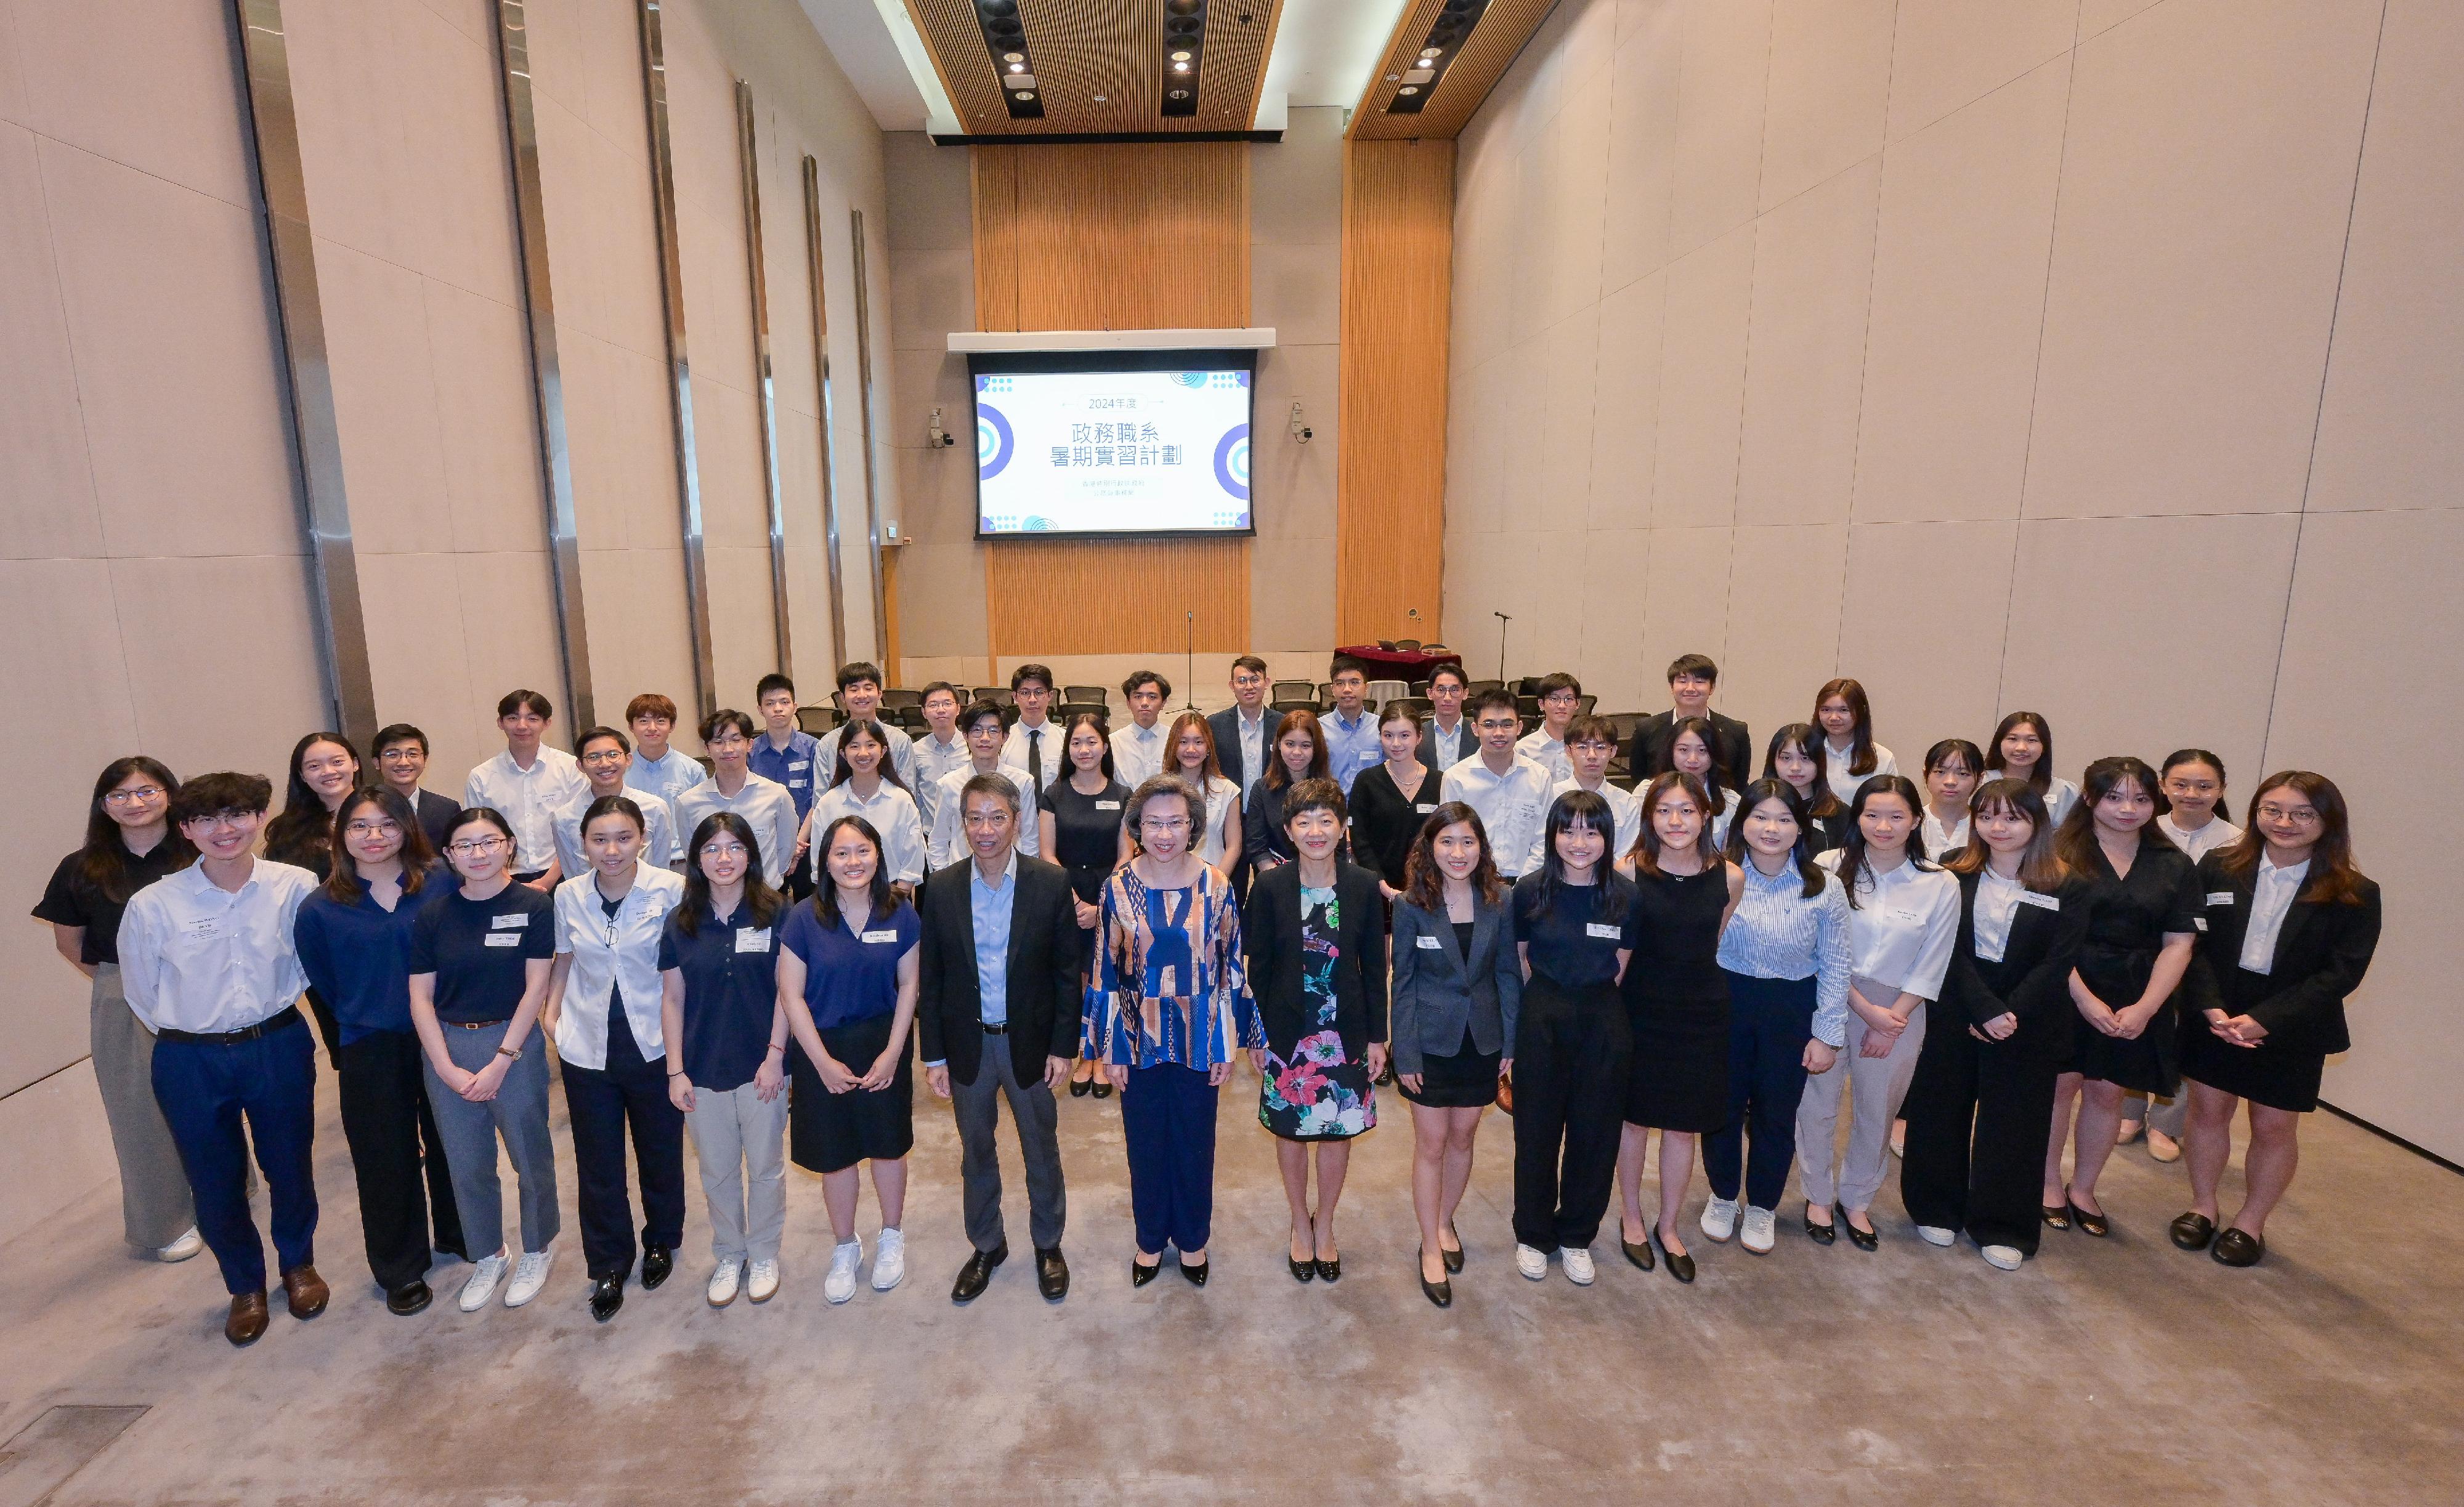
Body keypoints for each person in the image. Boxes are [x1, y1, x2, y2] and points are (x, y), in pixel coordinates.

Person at [116, 772, 326, 1347]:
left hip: (276, 1043)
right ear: (186, 829)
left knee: (288, 1163)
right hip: (190, 1057)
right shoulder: (154, 904)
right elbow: (142, 990)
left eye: (237, 814)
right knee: (214, 1179)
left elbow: (312, 959)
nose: (224, 829)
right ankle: (244, 1286)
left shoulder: (295, 885)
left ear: (260, 817)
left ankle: (298, 1264)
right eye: (206, 819)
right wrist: (196, 1031)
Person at [2172, 772, 2381, 1269]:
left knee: (2272, 1126)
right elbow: (2189, 941)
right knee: (2206, 1111)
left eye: (2302, 813)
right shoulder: (2220, 865)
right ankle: (2202, 1205)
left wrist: (2265, 1020)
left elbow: (2341, 973)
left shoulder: (2354, 891)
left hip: (2292, 1019)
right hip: (2216, 1006)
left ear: (2328, 821)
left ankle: (2250, 1222)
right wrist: (2209, 1006)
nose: (2285, 822)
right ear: (2255, 812)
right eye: (2273, 810)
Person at [1899, 779, 2091, 1271]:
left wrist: (2010, 1012)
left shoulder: (2069, 883)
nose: (1998, 827)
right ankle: (1936, 1205)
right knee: (1941, 1110)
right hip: (1956, 1007)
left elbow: (2058, 961)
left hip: (2028, 1019)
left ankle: (2002, 1223)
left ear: (2036, 823)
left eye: (2012, 817)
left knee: (2015, 1124)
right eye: (1987, 816)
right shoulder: (1951, 871)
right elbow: (1943, 946)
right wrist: (1983, 1007)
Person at [294, 789, 467, 1316]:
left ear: (407, 828)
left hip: (444, 1032)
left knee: (454, 1140)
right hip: (370, 1042)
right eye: (360, 826)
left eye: (387, 825)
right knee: (384, 1157)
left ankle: (462, 1234)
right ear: (339, 836)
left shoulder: (442, 881)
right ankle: (400, 1267)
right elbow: (320, 983)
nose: (374, 837)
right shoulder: (320, 907)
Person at [915, 774, 1081, 1304]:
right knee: (976, 1149)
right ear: (962, 824)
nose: (985, 830)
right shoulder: (940, 888)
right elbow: (933, 978)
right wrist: (933, 1053)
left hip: (1029, 1043)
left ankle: (1048, 1243)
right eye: (974, 818)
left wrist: (1063, 1046)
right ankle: (987, 1244)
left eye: (997, 817)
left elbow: (1065, 975)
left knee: (1040, 1145)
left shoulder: (1050, 884)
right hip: (968, 1045)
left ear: (1017, 820)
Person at [1089, 777, 1255, 1286]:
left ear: (1193, 828)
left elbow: (1231, 968)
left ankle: (1193, 1238)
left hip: (1200, 1037)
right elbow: (1106, 971)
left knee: (1194, 1140)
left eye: (1176, 822)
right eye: (1154, 823)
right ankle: (1149, 1239)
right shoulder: (1117, 887)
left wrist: (1227, 1042)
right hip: (1137, 1039)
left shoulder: (1218, 885)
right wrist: (1109, 1048)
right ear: (1137, 827)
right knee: (1144, 1141)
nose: (1164, 833)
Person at [32, 758, 200, 1261]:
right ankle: (165, 1223)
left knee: (208, 1097)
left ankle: (227, 1191)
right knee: (138, 1112)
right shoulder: (81, 867)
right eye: (121, 794)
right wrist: (124, 988)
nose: (135, 802)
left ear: (169, 794)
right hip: (121, 990)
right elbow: (70, 943)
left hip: (201, 989)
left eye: (147, 790)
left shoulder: (199, 852)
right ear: (104, 805)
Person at [407, 807, 560, 1315]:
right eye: (465, 845)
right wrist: (446, 1067)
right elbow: (421, 998)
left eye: (489, 842)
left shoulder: (534, 906)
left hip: (512, 1045)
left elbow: (536, 986)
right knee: (467, 1162)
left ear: (510, 846)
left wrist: (502, 1060)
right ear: (449, 855)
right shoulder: (433, 915)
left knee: (529, 1155)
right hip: (448, 1047)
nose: (478, 853)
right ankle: (488, 1253)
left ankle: (538, 1248)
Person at [2040, 756, 2200, 1239]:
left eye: (2141, 798)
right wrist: (2086, 1000)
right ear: (2089, 798)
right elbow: (2044, 936)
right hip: (2065, 984)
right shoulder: (2057, 853)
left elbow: (2180, 943)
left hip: (2137, 991)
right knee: (2059, 1088)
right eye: (2114, 796)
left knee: (2109, 1092)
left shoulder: (2174, 863)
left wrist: (2148, 1007)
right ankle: (2046, 1183)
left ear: (2157, 802)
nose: (2128, 808)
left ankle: (2084, 1188)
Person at [545, 796, 689, 1320]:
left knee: (659, 1149)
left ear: (643, 839)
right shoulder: (568, 895)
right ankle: (607, 1260)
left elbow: (681, 969)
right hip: (587, 1045)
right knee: (598, 1159)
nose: (612, 849)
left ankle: (661, 1238)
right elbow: (563, 958)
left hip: (652, 1040)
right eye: (599, 839)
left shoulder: (670, 889)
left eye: (623, 837)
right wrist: (552, 1016)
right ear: (582, 843)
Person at [1798, 775, 1958, 1248]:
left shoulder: (1938, 881)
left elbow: (1937, 956)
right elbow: (1819, 946)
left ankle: (1858, 1199)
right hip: (1832, 997)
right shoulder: (1828, 867)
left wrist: (1892, 1019)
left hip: (1901, 1011)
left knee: (1877, 1110)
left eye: (1895, 816)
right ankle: (1818, 1196)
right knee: (1817, 1104)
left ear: (1915, 819)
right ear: (1857, 818)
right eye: (1872, 814)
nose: (1883, 825)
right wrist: (1867, 1010)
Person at [1247, 778, 1387, 1284]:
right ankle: (1298, 1225)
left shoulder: (1364, 886)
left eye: (1326, 819)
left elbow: (1375, 965)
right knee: (1291, 1130)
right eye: (1304, 821)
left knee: (1336, 1130)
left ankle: (1324, 1224)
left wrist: (1378, 1035)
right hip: (1288, 1034)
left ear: (1343, 827)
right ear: (1287, 830)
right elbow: (1256, 967)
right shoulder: (1268, 887)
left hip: (1344, 1034)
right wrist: (1255, 1035)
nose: (1315, 830)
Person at [779, 815, 923, 1301]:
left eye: (862, 850)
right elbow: (791, 995)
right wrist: (818, 1062)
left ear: (878, 854)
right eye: (841, 853)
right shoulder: (802, 917)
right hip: (822, 1045)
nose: (853, 861)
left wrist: (895, 1052)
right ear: (825, 861)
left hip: (884, 1041)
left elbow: (909, 986)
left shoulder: (900, 912)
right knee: (835, 1153)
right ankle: (845, 1245)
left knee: (887, 1145)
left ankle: (891, 1235)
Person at [1704, 781, 1850, 1257]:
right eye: (1760, 816)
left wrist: (1827, 1034)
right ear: (1740, 822)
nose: (1771, 828)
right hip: (1727, 1002)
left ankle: (1764, 1205)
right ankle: (1724, 1195)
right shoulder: (1716, 876)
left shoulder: (1824, 886)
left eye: (1784, 818)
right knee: (1720, 1107)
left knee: (1776, 1112)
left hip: (1791, 1007)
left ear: (1800, 828)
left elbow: (1836, 963)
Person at [1613, 772, 1742, 1284]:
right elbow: (1620, 952)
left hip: (1701, 1013)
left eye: (1687, 810)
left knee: (1684, 1125)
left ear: (1706, 815)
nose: (1675, 821)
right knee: (1634, 1122)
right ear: (1650, 817)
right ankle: (1630, 1218)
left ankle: (1669, 1226)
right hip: (1640, 1010)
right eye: (1664, 810)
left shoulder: (1729, 876)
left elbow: (1714, 937)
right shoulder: (1628, 871)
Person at [657, 812, 791, 1307]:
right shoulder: (681, 921)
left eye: (734, 847)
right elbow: (672, 998)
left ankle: (763, 1251)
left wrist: (776, 1056)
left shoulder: (779, 912)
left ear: (751, 854)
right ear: (696, 859)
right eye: (712, 848)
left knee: (765, 1166)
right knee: (715, 1169)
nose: (724, 858)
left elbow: (788, 992)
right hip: (702, 1066)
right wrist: (675, 1069)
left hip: (763, 1064)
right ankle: (729, 1252)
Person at [1389, 804, 1520, 1306]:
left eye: (1468, 842)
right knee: (1432, 1142)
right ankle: (1428, 1246)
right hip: (1428, 1041)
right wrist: (1405, 1051)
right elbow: (1402, 981)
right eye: (1447, 842)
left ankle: (1445, 1222)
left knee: (1464, 1137)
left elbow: (1508, 973)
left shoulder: (1500, 899)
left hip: (1482, 1041)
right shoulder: (1410, 904)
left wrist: (1511, 1042)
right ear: (1430, 847)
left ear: (1481, 847)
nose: (1458, 852)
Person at [1508, 790, 1636, 1286]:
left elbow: (1620, 965)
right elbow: (1521, 958)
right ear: (1552, 834)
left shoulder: (1625, 895)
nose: (1579, 842)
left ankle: (1578, 1234)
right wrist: (1548, 1002)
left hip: (1603, 1019)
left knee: (1595, 1132)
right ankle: (1534, 1233)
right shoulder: (1530, 891)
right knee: (1536, 1131)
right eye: (1568, 829)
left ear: (1607, 836)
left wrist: (1588, 998)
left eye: (1591, 830)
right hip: (1542, 1015)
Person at [2130, 748, 2243, 1158]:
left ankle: (2166, 1123)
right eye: (2180, 784)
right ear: (2163, 786)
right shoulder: (2143, 826)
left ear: (2222, 790)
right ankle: (2129, 1109)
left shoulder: (2238, 842)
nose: (2191, 793)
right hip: (2141, 950)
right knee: (2133, 1023)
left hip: (2201, 957)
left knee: (2184, 1035)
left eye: (2204, 785)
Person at [1040, 712, 1132, 1097]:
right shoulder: (1053, 794)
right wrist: (1075, 900)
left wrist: (1102, 905)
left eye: (1092, 741)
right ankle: (1080, 1053)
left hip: (1112, 891)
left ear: (1105, 747)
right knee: (1073, 980)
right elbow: (1047, 852)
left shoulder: (1124, 796)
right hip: (1065, 893)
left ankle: (1103, 1054)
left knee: (1106, 976)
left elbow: (1127, 854)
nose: (1084, 749)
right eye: (1076, 742)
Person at [262, 731, 362, 1061]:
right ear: (302, 776)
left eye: (337, 761)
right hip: (324, 951)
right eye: (314, 766)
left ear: (355, 764)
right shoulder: (287, 831)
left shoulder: (386, 815)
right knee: (348, 1049)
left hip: (387, 942)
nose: (328, 771)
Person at [464, 690, 587, 886]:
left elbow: (579, 829)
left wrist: (549, 880)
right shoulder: (481, 777)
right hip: (501, 878)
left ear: (547, 723)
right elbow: (477, 834)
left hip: (563, 874)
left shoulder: (570, 768)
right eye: (513, 718)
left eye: (532, 718)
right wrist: (506, 879)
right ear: (500, 723)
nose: (522, 726)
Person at [671, 709, 800, 891]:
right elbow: (693, 855)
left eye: (736, 740)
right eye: (718, 742)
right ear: (707, 749)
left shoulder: (777, 795)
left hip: (767, 899)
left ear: (749, 744)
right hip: (714, 900)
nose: (728, 749)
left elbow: (786, 850)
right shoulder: (688, 803)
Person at [1441, 689, 1555, 881]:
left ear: (1519, 728)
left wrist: (1523, 883)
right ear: (1476, 729)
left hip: (1527, 883)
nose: (1499, 733)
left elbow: (1544, 838)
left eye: (1507, 724)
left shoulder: (1540, 776)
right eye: (1489, 725)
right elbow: (1450, 839)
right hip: (1472, 883)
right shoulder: (1456, 778)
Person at [806, 719, 926, 890]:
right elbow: (820, 863)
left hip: (892, 895)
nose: (863, 753)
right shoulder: (828, 803)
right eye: (854, 746)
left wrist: (897, 900)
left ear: (883, 750)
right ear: (843, 753)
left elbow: (913, 859)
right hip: (840, 897)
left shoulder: (902, 800)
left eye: (871, 745)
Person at [928, 699, 1042, 868]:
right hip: (962, 876)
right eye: (977, 730)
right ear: (965, 735)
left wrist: (1026, 878)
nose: (985, 738)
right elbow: (939, 839)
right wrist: (944, 878)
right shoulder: (948, 785)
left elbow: (1030, 837)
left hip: (1010, 874)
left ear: (1005, 737)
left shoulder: (1023, 782)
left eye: (993, 731)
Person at [554, 726, 680, 873]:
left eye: (613, 755)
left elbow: (660, 868)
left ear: (628, 759)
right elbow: (572, 876)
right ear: (580, 765)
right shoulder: (563, 818)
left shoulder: (655, 808)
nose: (605, 764)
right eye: (593, 757)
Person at [1348, 703, 1440, 897]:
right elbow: (1360, 839)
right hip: (1377, 889)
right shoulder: (1366, 781)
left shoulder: (1440, 781)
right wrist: (1382, 885)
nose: (1396, 743)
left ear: (1419, 737)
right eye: (1388, 735)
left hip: (1432, 890)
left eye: (1405, 735)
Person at [1628, 653, 1752, 790]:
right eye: (1682, 681)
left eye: (1699, 681)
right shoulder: (1646, 729)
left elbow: (1739, 784)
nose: (1690, 688)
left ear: (1712, 687)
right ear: (1671, 687)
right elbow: (1638, 778)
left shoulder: (1736, 732)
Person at [749, 673, 825, 878]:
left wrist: (796, 845)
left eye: (784, 702)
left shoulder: (813, 748)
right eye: (770, 703)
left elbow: (817, 800)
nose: (778, 708)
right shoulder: (750, 751)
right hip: (763, 844)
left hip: (806, 842)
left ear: (795, 706)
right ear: (760, 709)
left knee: (810, 907)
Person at [1245, 709, 1332, 872]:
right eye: (1290, 744)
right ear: (1278, 744)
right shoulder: (1261, 790)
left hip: (1321, 878)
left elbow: (1337, 847)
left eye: (1305, 745)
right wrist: (1283, 883)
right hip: (1274, 879)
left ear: (1316, 748)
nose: (1297, 752)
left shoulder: (1330, 790)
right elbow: (1257, 848)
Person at [812, 662, 918, 790]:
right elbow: (821, 800)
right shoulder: (827, 744)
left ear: (879, 693)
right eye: (854, 689)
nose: (862, 695)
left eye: (868, 688)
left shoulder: (900, 740)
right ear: (842, 697)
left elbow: (908, 794)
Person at [1167, 711, 1244, 882]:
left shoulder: (1227, 790)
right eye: (1183, 742)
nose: (1191, 749)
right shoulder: (1159, 789)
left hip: (1212, 880)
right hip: (1165, 880)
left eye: (1199, 742)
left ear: (1209, 747)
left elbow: (1234, 846)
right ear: (1173, 746)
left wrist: (1216, 883)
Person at [1550, 714, 1640, 859]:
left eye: (1600, 747)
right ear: (1568, 750)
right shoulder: (1551, 796)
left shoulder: (1626, 803)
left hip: (1610, 880)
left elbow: (1626, 857)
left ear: (1613, 751)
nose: (1592, 755)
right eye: (1582, 747)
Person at [370, 724, 463, 854]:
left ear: (425, 760)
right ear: (376, 762)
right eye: (393, 755)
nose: (403, 762)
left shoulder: (446, 809)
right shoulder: (364, 808)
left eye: (412, 754)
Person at [1208, 655, 1276, 826]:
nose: (1249, 687)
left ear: (1266, 682)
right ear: (1232, 686)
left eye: (1255, 680)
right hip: (1228, 818)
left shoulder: (1282, 725)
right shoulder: (1215, 725)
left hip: (1272, 818)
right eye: (1242, 681)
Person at [1763, 723, 1849, 855]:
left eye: (1805, 758)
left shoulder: (1840, 814)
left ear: (1820, 762)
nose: (1796, 767)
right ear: (1773, 761)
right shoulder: (1756, 805)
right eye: (1786, 758)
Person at [1813, 679, 1896, 808]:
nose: (1834, 717)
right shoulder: (1804, 753)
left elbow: (1891, 806)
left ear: (1861, 711)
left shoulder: (1883, 758)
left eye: (1844, 710)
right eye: (1826, 710)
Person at [1986, 712, 2080, 826]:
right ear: (1999, 743)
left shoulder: (2063, 791)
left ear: (2044, 746)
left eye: (2032, 740)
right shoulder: (1981, 782)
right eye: (2012, 739)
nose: (2021, 748)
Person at [623, 693, 709, 809]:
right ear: (631, 726)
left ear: (672, 726)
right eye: (644, 721)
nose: (652, 728)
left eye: (660, 721)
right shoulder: (620, 771)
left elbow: (703, 815)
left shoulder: (693, 771)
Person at [909, 682, 971, 840]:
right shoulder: (916, 751)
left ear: (958, 709)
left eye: (947, 704)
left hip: (968, 834)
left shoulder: (973, 748)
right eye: (933, 705)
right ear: (924, 712)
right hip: (930, 835)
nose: (941, 710)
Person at [1664, 717, 1737, 852]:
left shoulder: (1731, 802)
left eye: (1702, 750)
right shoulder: (1646, 792)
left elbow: (1729, 859)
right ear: (1671, 751)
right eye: (1684, 750)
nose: (1693, 759)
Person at [1320, 656, 1382, 794]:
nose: (1347, 689)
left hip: (1372, 810)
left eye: (1355, 682)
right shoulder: (1319, 729)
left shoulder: (1381, 727)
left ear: (1366, 687)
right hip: (1332, 809)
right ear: (1332, 689)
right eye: (1340, 683)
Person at [1919, 739, 1985, 862]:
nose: (1950, 782)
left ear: (1980, 779)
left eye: (1963, 774)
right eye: (1940, 772)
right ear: (1926, 775)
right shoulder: (1911, 824)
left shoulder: (1987, 827)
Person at [1001, 663, 1064, 790]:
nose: (1032, 700)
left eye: (1039, 692)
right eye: (1025, 693)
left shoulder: (1066, 740)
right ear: (1015, 697)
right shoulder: (1003, 741)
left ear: (1050, 696)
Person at [1515, 672, 1581, 783]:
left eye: (1569, 699)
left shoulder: (1587, 748)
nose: (1562, 706)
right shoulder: (1523, 750)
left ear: (1577, 704)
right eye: (1554, 699)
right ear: (1541, 704)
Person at [1109, 670, 1172, 787]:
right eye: (1138, 696)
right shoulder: (1114, 742)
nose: (1144, 703)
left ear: (1163, 703)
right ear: (1128, 703)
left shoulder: (1174, 739)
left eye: (1152, 697)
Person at [1416, 662, 1475, 777]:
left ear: (1465, 694)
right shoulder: (1417, 734)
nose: (1447, 698)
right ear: (1430, 693)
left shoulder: (1479, 735)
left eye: (1454, 690)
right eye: (1441, 689)